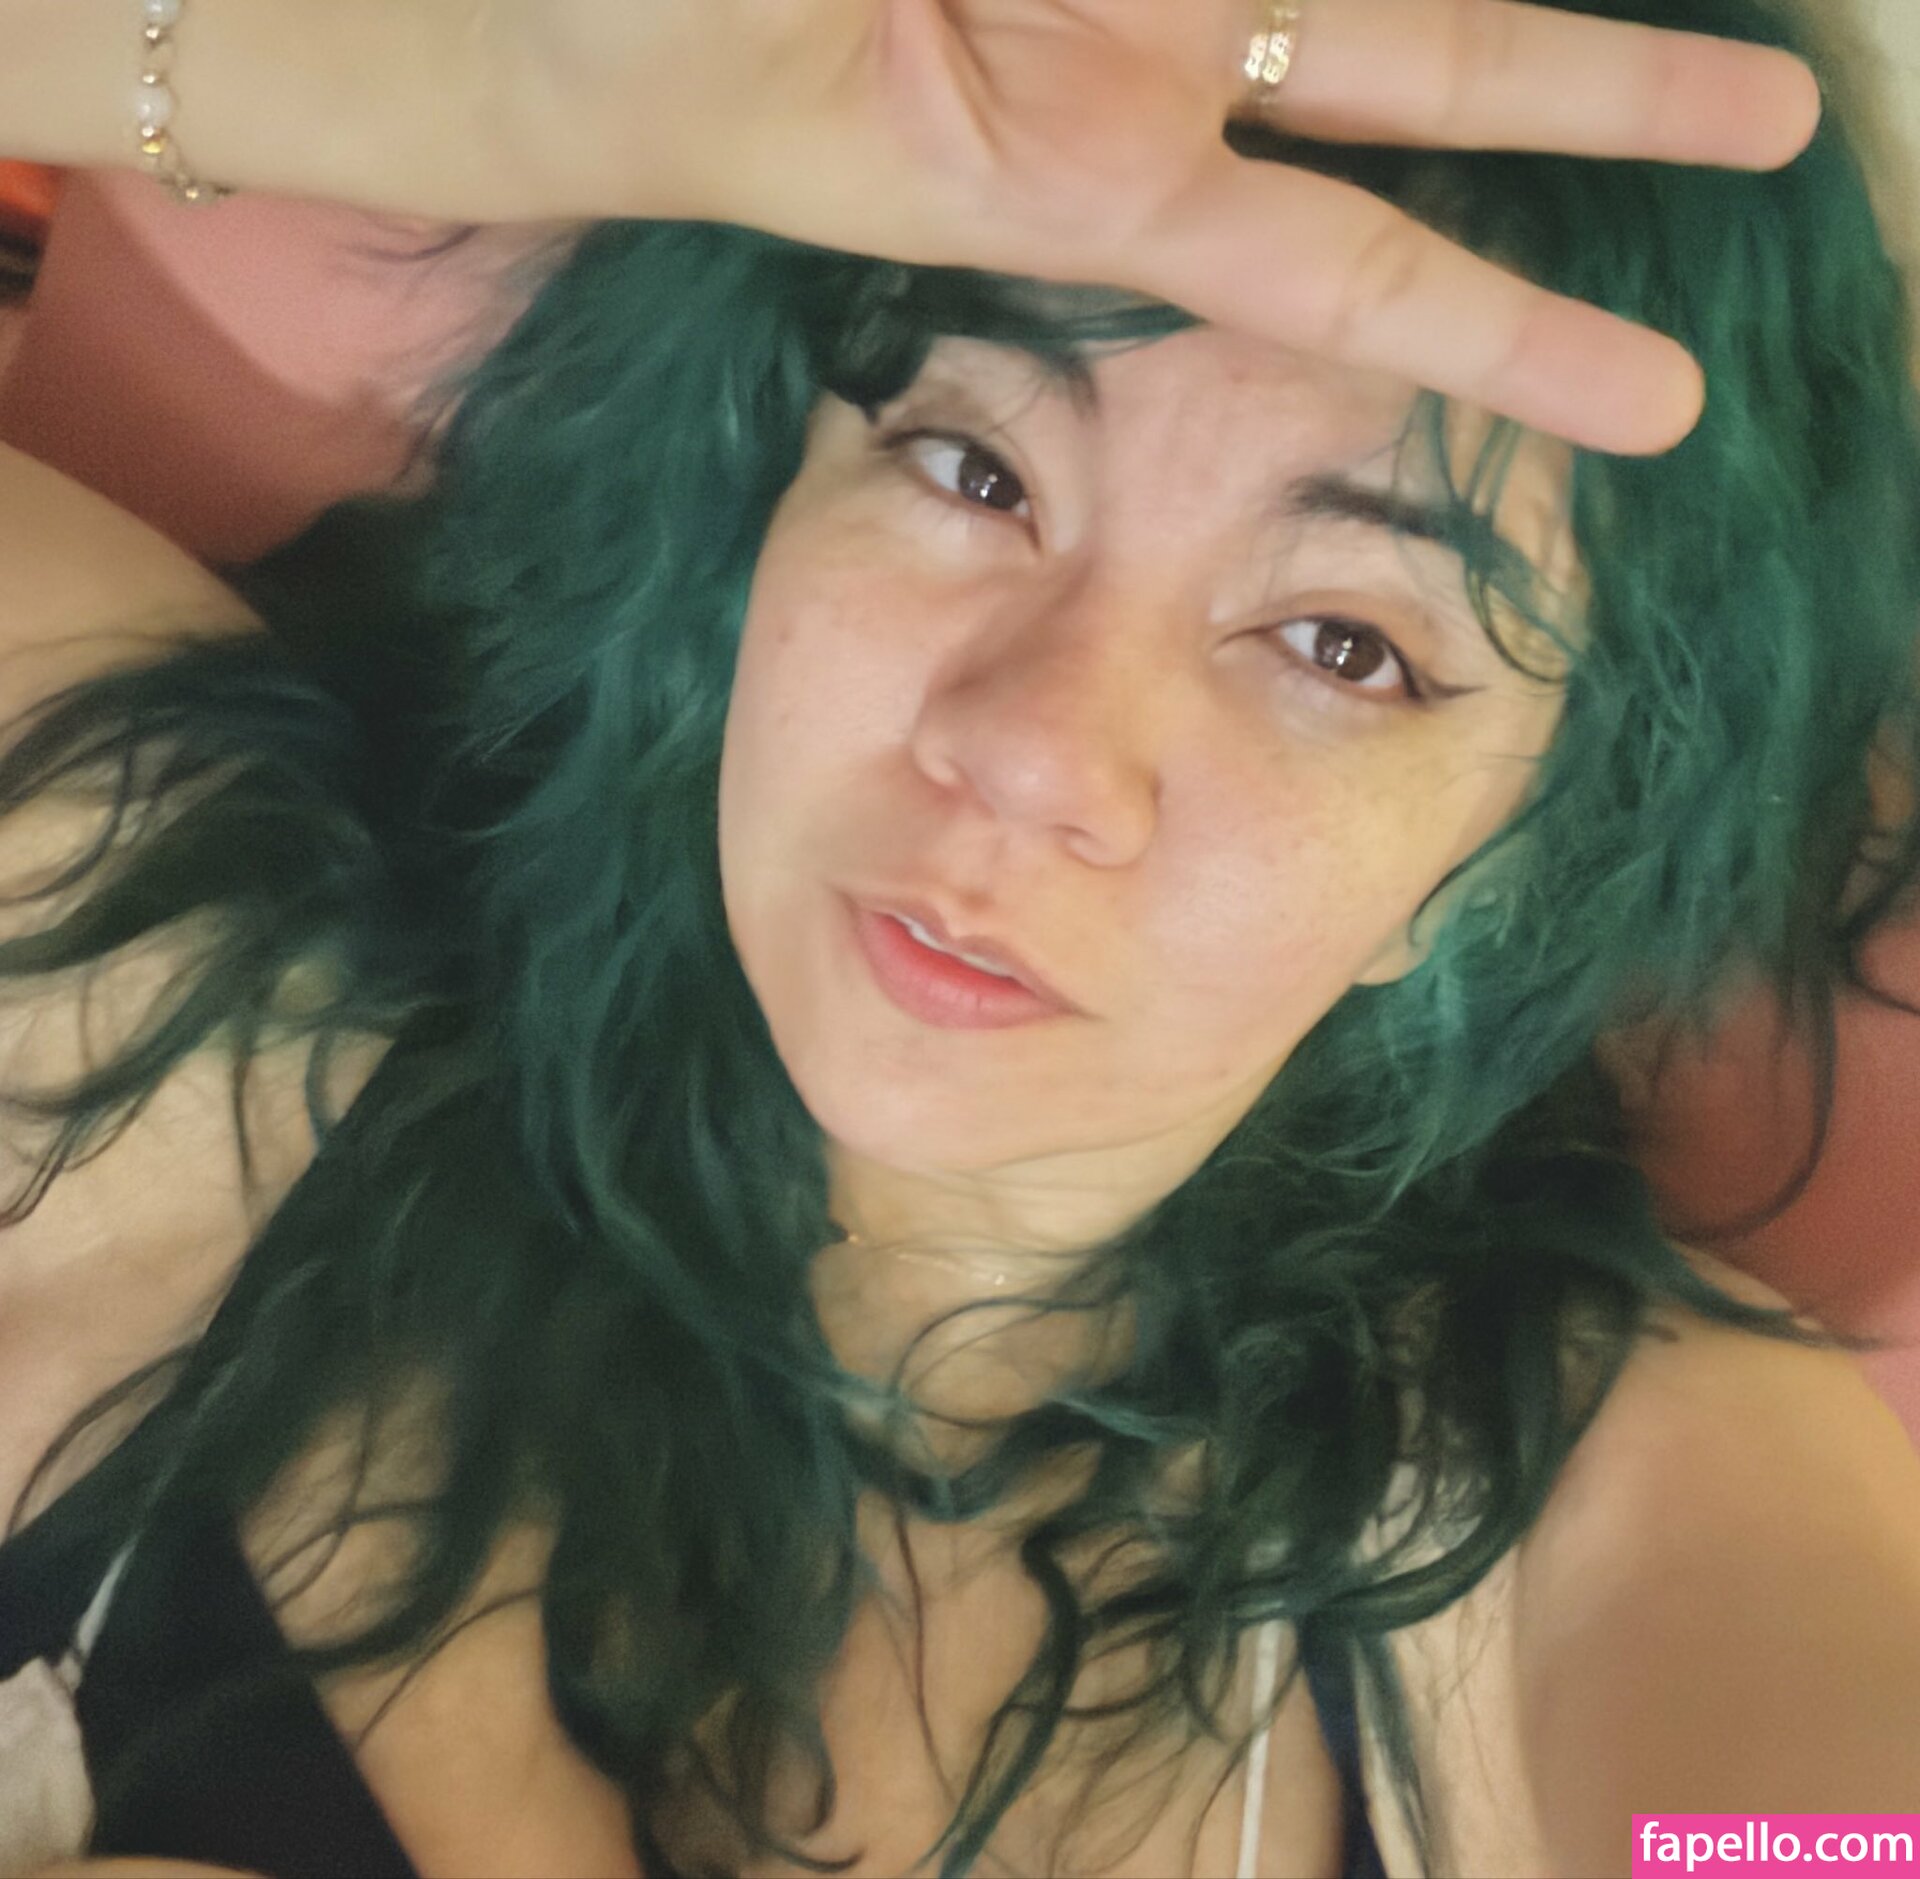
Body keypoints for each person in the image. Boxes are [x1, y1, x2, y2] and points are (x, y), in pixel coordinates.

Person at [0, 2, 1916, 1878]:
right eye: (973, 466)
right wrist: (492, 71)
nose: (1030, 749)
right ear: (769, 492)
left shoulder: (1598, 1501)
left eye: (1346, 645)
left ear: (1505, 866)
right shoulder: (131, 930)